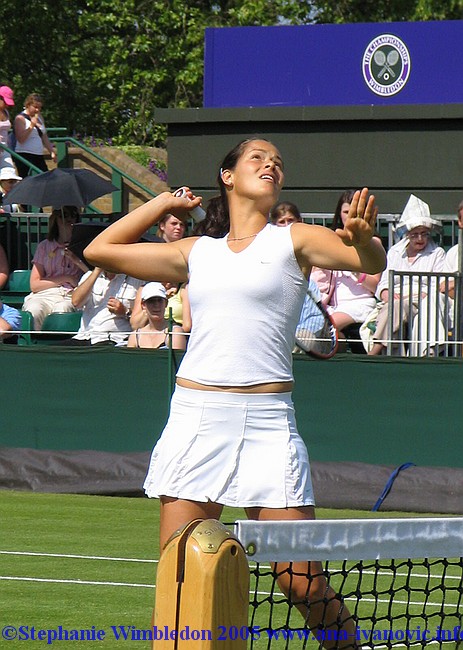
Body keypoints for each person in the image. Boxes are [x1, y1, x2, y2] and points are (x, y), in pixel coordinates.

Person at [85, 137, 385, 647]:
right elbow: (99, 250)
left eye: (278, 163)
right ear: (228, 176)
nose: (270, 165)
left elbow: (369, 261)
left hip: (268, 421)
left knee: (301, 580)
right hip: (197, 417)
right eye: (257, 158)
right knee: (179, 577)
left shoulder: (296, 240)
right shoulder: (195, 252)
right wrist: (166, 202)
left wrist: (363, 238)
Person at [368, 194, 446, 356]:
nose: (420, 238)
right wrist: (386, 294)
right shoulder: (395, 252)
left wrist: (408, 297)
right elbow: (383, 282)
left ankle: (375, 351)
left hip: (421, 301)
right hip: (395, 300)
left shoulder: (437, 253)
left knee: (395, 308)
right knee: (394, 307)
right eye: (415, 234)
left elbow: (436, 286)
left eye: (424, 233)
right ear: (407, 233)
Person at [311, 190, 382, 344]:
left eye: (354, 212)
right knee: (311, 325)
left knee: (326, 327)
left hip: (360, 304)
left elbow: (374, 285)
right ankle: (340, 347)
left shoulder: (373, 243)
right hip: (332, 305)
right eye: (345, 212)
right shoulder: (332, 241)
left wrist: (354, 270)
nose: (349, 216)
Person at [22, 206, 88, 330]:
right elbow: (35, 285)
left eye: (73, 215)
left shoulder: (83, 245)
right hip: (46, 294)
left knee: (63, 309)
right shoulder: (44, 246)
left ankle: (59, 345)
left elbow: (94, 274)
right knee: (34, 309)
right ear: (56, 219)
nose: (69, 219)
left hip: (71, 294)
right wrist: (66, 277)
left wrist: (76, 260)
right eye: (65, 215)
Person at [64, 267, 144, 346]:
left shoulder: (137, 280)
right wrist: (96, 271)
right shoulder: (89, 276)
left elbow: (141, 320)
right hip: (84, 337)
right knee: (54, 351)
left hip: (113, 339)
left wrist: (124, 311)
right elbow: (76, 302)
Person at [127, 282, 186, 350]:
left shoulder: (175, 332)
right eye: (151, 301)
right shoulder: (134, 336)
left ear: (166, 303)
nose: (156, 305)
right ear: (143, 305)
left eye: (160, 300)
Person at [13, 93, 57, 178]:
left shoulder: (39, 117)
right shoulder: (20, 118)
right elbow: (21, 139)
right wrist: (31, 126)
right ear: (28, 105)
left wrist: (51, 151)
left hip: (38, 154)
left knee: (45, 178)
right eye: (35, 107)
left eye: (40, 107)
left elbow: (44, 136)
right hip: (25, 154)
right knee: (27, 180)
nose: (37, 110)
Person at [0, 85, 15, 170]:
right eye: (5, 102)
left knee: (9, 175)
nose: (7, 105)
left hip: (5, 149)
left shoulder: (6, 112)